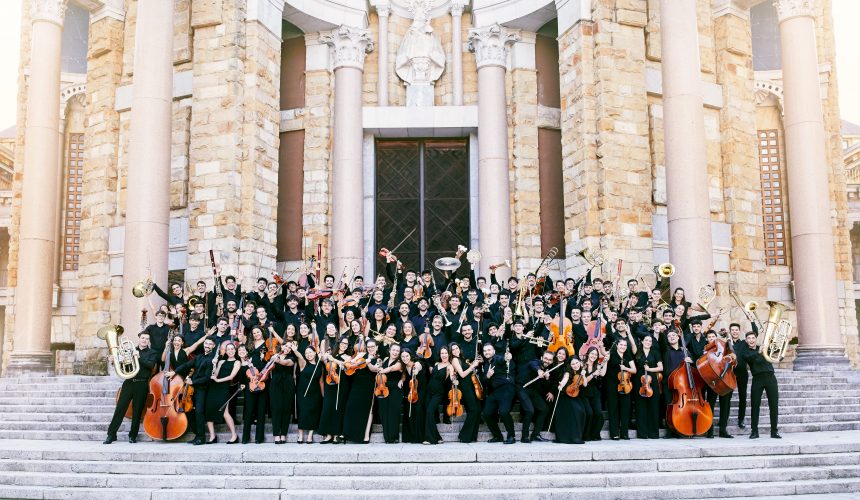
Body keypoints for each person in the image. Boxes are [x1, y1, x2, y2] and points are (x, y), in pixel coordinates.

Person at [104, 332, 160, 444]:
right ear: (139, 339)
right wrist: (113, 361)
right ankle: (111, 434)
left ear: (149, 341)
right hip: (129, 382)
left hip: (142, 384)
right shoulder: (129, 349)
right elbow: (121, 363)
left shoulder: (152, 353)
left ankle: (133, 436)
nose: (144, 340)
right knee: (120, 408)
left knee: (137, 411)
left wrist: (137, 357)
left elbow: (150, 366)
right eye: (143, 338)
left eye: (147, 339)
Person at [169, 337, 216, 445]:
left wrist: (193, 382)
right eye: (206, 343)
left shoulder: (212, 360)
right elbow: (186, 365)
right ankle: (197, 435)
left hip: (202, 389)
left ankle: (201, 437)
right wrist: (174, 372)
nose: (207, 345)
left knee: (199, 412)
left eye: (210, 344)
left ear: (213, 346)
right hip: (193, 389)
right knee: (189, 411)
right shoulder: (199, 357)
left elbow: (207, 378)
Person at [743, 331, 781, 439]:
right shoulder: (746, 352)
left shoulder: (763, 347)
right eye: (749, 338)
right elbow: (750, 359)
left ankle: (774, 431)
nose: (751, 340)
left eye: (753, 338)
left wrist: (783, 341)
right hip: (757, 379)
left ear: (756, 339)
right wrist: (759, 352)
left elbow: (776, 352)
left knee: (774, 405)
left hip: (770, 378)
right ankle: (754, 431)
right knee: (755, 405)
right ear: (746, 340)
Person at [342, 339, 379, 444]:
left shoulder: (378, 358)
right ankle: (348, 434)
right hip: (357, 384)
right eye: (369, 347)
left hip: (369, 385)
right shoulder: (362, 355)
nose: (371, 348)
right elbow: (351, 364)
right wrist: (359, 358)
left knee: (368, 410)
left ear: (376, 347)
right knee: (351, 407)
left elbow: (374, 369)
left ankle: (365, 436)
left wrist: (367, 362)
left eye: (373, 346)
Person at [480, 343, 516, 444]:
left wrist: (506, 358)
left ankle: (511, 436)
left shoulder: (498, 358)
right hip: (495, 391)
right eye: (485, 351)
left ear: (494, 351)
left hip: (506, 388)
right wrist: (487, 376)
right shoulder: (486, 365)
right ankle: (498, 436)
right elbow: (484, 382)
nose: (487, 352)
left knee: (504, 412)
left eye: (489, 350)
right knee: (486, 413)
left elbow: (503, 359)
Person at [703, 330, 735, 439]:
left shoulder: (723, 347)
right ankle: (709, 430)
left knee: (725, 406)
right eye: (709, 337)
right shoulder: (705, 349)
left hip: (725, 379)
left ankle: (723, 430)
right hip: (712, 381)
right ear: (707, 339)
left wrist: (732, 356)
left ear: (716, 337)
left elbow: (732, 359)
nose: (711, 338)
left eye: (713, 336)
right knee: (710, 405)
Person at [241, 326, 269, 444]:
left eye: (258, 332)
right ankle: (245, 437)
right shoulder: (249, 345)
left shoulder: (267, 344)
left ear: (262, 332)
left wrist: (265, 360)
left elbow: (270, 361)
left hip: (263, 379)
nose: (256, 334)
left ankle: (259, 437)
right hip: (251, 379)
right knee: (248, 410)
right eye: (254, 333)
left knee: (261, 410)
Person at [209, 343, 241, 444]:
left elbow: (232, 376)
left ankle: (234, 436)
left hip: (224, 387)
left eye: (232, 349)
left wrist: (218, 381)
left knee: (225, 413)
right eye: (228, 349)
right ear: (226, 351)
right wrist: (214, 365)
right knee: (209, 410)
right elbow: (216, 374)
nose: (230, 351)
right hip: (214, 387)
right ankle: (212, 436)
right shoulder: (221, 361)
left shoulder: (237, 362)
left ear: (235, 351)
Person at [450, 342, 482, 443]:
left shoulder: (462, 359)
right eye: (453, 349)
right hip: (465, 386)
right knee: (473, 410)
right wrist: (473, 366)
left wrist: (474, 364)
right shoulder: (455, 359)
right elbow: (462, 374)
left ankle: (472, 436)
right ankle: (464, 436)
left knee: (477, 410)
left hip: (471, 386)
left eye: (457, 348)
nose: (456, 350)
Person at [606, 338, 636, 440]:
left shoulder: (628, 356)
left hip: (625, 384)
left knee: (625, 408)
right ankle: (614, 433)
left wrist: (625, 368)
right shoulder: (611, 354)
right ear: (617, 345)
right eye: (621, 345)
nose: (623, 347)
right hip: (612, 384)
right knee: (613, 408)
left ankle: (624, 433)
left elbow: (634, 370)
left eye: (624, 345)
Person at [553, 357, 588, 444]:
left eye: (576, 363)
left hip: (575, 395)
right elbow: (565, 379)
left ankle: (577, 435)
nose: (575, 365)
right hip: (565, 395)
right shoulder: (568, 372)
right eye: (573, 364)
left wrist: (583, 375)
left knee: (581, 412)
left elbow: (585, 384)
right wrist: (561, 385)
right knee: (576, 411)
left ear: (579, 362)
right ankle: (571, 437)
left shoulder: (581, 371)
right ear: (570, 365)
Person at [423, 346, 453, 445]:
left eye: (445, 353)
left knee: (429, 411)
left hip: (438, 393)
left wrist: (454, 378)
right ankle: (437, 437)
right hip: (428, 391)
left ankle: (431, 439)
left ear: (449, 354)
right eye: (442, 353)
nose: (444, 355)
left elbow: (452, 378)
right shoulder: (436, 364)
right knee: (428, 413)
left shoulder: (450, 366)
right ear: (440, 355)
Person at [635, 334, 663, 439]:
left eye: (650, 341)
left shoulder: (655, 353)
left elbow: (661, 367)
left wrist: (649, 369)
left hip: (652, 382)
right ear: (642, 342)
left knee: (653, 406)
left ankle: (653, 433)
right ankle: (642, 433)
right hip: (640, 381)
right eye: (646, 340)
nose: (648, 342)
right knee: (640, 407)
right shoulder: (637, 352)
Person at [270, 342, 297, 444]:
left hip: (288, 384)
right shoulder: (274, 356)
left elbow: (286, 363)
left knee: (286, 409)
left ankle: (283, 434)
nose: (287, 348)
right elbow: (269, 368)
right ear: (281, 346)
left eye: (289, 347)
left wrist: (276, 359)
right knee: (276, 408)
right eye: (285, 346)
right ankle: (276, 434)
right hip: (275, 383)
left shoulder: (292, 358)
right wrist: (272, 359)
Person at [295, 346, 323, 444]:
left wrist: (323, 395)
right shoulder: (303, 363)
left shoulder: (320, 365)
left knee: (313, 412)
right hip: (302, 392)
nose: (308, 355)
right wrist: (295, 350)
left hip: (315, 392)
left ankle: (310, 435)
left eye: (310, 352)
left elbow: (321, 381)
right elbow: (299, 356)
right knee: (302, 412)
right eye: (306, 353)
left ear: (315, 353)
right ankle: (301, 435)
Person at [377, 343, 403, 443]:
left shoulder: (400, 362)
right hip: (383, 388)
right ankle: (387, 437)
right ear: (390, 350)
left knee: (393, 413)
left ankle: (394, 437)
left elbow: (392, 369)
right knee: (383, 412)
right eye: (394, 350)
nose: (395, 352)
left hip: (395, 389)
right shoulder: (385, 359)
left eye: (397, 351)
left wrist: (382, 370)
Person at [400, 349, 426, 444]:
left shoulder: (417, 363)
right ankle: (410, 437)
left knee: (418, 411)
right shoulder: (403, 366)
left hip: (421, 391)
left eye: (407, 356)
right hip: (411, 391)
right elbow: (404, 375)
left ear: (411, 356)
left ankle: (419, 437)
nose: (405, 358)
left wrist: (416, 371)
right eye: (403, 356)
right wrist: (401, 380)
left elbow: (418, 367)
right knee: (409, 412)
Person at [581, 346, 606, 441]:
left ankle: (594, 434)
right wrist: (593, 374)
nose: (594, 356)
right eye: (592, 354)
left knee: (598, 413)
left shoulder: (598, 365)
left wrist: (606, 361)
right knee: (589, 413)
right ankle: (586, 435)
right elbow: (584, 383)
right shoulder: (582, 364)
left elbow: (603, 374)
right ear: (588, 354)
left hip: (595, 393)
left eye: (595, 354)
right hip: (584, 393)